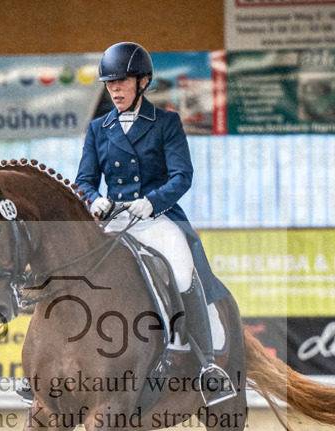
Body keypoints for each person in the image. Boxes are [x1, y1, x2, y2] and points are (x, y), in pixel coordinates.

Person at [74, 41, 235, 406]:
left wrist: (151, 202)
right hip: (114, 220)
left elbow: (182, 176)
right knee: (76, 270)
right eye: (109, 83)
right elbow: (84, 179)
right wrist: (94, 198)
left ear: (142, 82)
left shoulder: (166, 123)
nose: (114, 89)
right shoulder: (99, 128)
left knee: (180, 271)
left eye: (121, 81)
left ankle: (207, 366)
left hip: (156, 217)